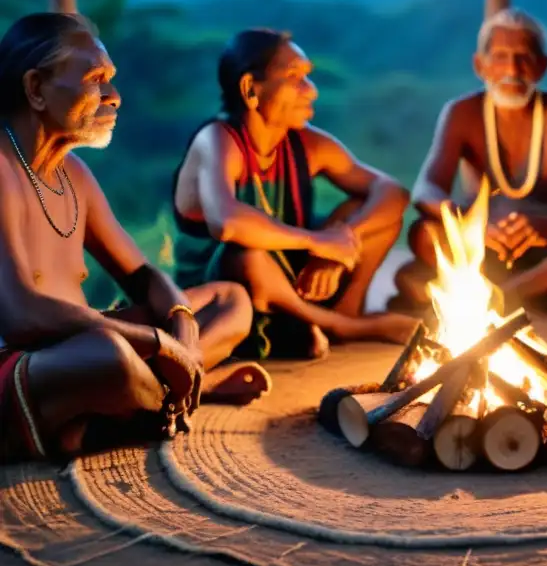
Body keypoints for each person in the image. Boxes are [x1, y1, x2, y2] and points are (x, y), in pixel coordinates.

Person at [0, 13, 269, 464]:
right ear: (35, 88)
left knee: (231, 299)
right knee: (110, 356)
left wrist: (181, 325)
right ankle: (166, 395)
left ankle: (148, 397)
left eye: (111, 79)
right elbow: (22, 317)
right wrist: (158, 345)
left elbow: (142, 275)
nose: (114, 96)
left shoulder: (75, 176)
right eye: (96, 78)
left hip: (84, 346)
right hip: (25, 366)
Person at [171, 28, 418, 360]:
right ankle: (345, 327)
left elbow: (392, 192)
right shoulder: (217, 140)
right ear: (250, 90)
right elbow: (227, 222)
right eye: (294, 77)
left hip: (297, 286)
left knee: (367, 210)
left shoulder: (305, 142)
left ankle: (345, 313)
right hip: (228, 299)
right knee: (246, 253)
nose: (311, 91)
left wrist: (337, 244)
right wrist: (315, 241)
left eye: (308, 78)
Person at [395, 8, 547, 317]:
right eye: (500, 56)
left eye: (524, 57)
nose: (512, 69)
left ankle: (499, 298)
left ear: (542, 66)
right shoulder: (462, 113)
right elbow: (426, 190)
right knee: (425, 232)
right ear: (480, 65)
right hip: (483, 247)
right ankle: (542, 294)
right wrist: (471, 223)